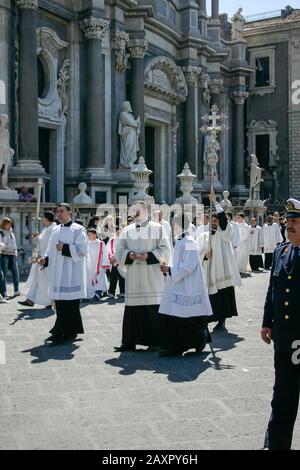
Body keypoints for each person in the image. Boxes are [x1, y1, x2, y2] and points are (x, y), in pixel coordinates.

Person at [261, 198, 300, 450]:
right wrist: (267, 323)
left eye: (296, 222)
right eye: (289, 222)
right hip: (284, 340)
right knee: (282, 397)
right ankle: (275, 445)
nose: (290, 226)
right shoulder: (280, 251)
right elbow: (272, 291)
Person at [114, 201, 171, 352]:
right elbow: (119, 251)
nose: (135, 212)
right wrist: (128, 255)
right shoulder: (126, 230)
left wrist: (149, 256)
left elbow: (166, 250)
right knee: (132, 309)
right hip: (134, 276)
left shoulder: (157, 228)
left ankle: (155, 341)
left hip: (151, 275)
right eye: (133, 210)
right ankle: (129, 342)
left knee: (152, 309)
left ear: (146, 211)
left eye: (137, 209)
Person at [158, 212, 213, 357]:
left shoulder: (188, 242)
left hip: (187, 285)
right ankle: (179, 345)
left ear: (176, 224)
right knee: (178, 316)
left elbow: (188, 266)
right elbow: (180, 263)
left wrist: (169, 269)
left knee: (184, 317)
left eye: (173, 223)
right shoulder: (182, 240)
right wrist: (169, 267)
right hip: (179, 283)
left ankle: (196, 340)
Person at [38, 203, 88, 345]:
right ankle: (63, 329)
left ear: (69, 212)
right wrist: (45, 259)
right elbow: (49, 250)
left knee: (70, 304)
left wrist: (64, 247)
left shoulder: (78, 229)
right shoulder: (55, 230)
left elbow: (82, 250)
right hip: (57, 272)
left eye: (61, 211)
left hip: (71, 273)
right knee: (60, 304)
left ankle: (67, 332)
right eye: (57, 211)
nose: (58, 214)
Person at [197, 194, 242, 331]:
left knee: (223, 297)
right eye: (213, 221)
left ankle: (221, 321)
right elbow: (198, 252)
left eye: (216, 221)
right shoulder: (205, 236)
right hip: (209, 271)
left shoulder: (225, 233)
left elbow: (223, 222)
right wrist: (205, 255)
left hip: (222, 270)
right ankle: (206, 320)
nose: (214, 223)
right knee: (210, 297)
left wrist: (215, 203)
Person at [19, 212, 56, 308]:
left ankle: (50, 301)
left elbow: (50, 246)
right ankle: (30, 299)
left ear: (47, 219)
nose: (42, 220)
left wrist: (43, 257)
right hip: (39, 257)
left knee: (46, 281)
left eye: (43, 218)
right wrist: (38, 237)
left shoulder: (53, 230)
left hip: (46, 259)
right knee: (34, 279)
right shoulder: (46, 228)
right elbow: (42, 241)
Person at [86, 228, 109, 301]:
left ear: (95, 235)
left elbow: (105, 254)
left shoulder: (100, 243)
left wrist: (105, 264)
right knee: (90, 280)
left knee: (99, 279)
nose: (88, 236)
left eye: (90, 235)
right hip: (89, 265)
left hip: (99, 265)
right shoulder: (86, 243)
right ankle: (90, 294)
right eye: (88, 235)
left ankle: (98, 294)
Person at [0, 217, 20, 298]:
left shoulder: (12, 233)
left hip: (12, 255)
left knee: (16, 273)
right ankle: (4, 292)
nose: (9, 225)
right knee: (3, 275)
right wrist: (7, 234)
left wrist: (16, 252)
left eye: (10, 224)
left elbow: (14, 244)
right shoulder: (1, 233)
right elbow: (2, 244)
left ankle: (16, 290)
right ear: (4, 224)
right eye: (8, 224)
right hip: (5, 255)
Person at [106, 224, 125, 299]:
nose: (118, 232)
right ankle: (111, 292)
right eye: (117, 231)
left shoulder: (124, 240)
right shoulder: (112, 239)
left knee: (122, 277)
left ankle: (123, 292)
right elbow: (107, 250)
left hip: (122, 260)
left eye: (120, 230)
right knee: (113, 276)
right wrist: (110, 258)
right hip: (114, 260)